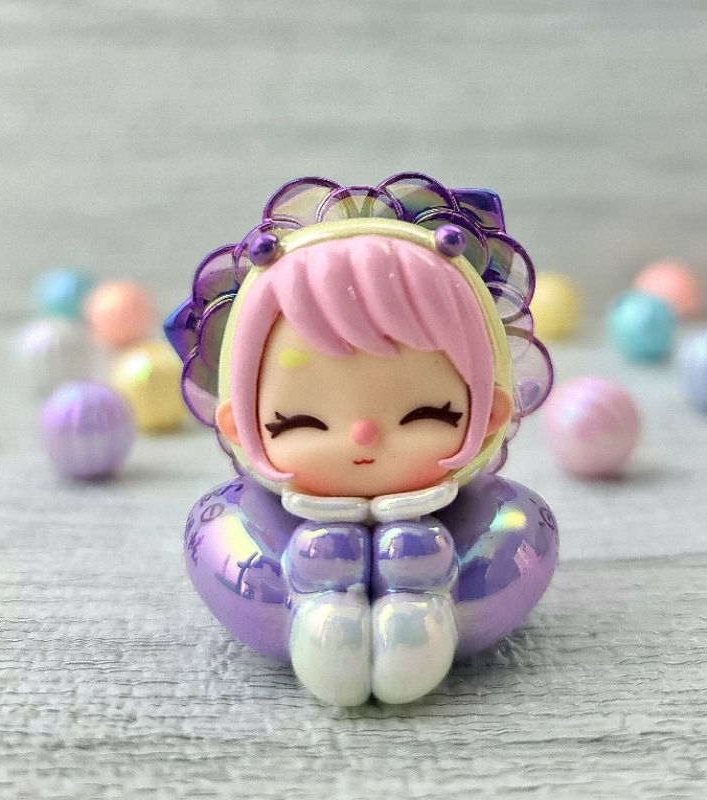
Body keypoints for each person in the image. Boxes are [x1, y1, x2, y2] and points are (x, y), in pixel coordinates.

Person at [166, 174, 558, 706]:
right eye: (300, 422)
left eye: (426, 414)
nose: (363, 435)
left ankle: (425, 623)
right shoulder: (238, 519)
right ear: (239, 426)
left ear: (491, 415)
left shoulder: (498, 515)